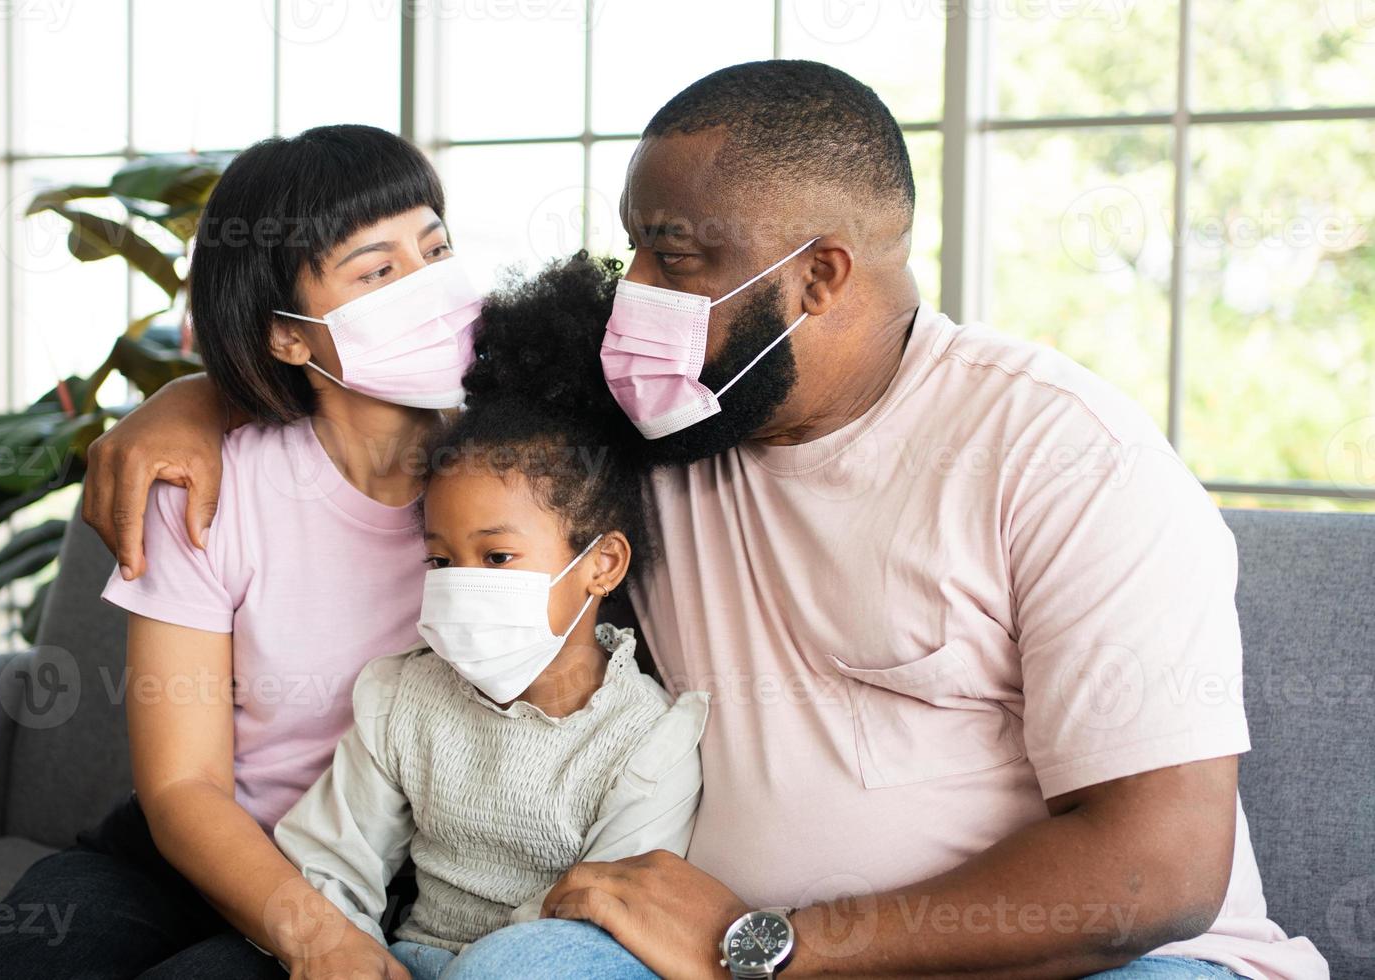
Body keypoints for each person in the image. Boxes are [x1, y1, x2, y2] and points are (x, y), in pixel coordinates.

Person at [76, 62, 1327, 979]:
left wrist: (767, 941)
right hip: (687, 947)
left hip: (1044, 958)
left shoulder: (1064, 455)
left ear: (817, 276)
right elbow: (424, 417)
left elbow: (1157, 870)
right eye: (630, 253)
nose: (635, 298)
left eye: (673, 259)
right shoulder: (645, 424)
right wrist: (193, 399)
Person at [0, 124, 479, 979]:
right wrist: (315, 937)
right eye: (379, 271)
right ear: (289, 336)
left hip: (378, 874)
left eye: (435, 250)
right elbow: (182, 789)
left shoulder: (519, 472)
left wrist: (334, 927)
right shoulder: (209, 490)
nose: (428, 290)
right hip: (180, 856)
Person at [274, 256, 706, 980]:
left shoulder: (647, 741)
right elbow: (330, 860)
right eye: (442, 561)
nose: (461, 585)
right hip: (414, 960)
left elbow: (612, 911)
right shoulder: (402, 700)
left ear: (601, 565)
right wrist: (342, 949)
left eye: (498, 557)